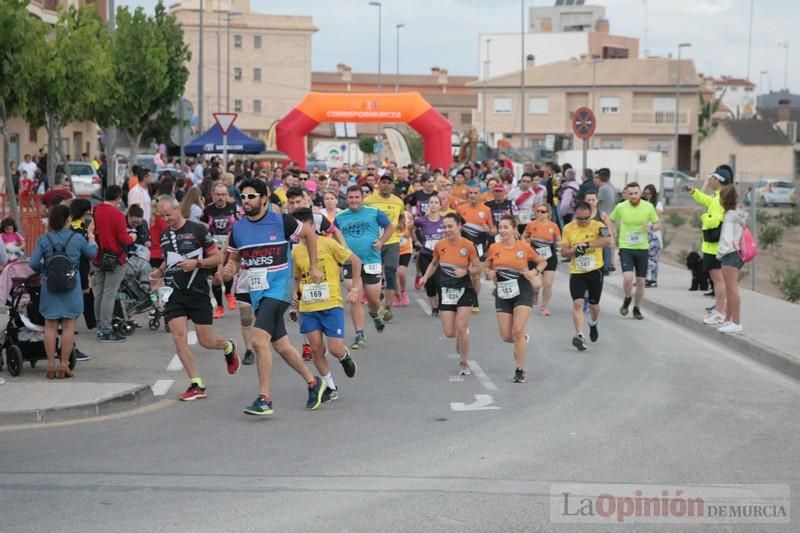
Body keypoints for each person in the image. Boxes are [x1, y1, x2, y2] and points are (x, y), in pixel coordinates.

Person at [224, 178, 326, 416]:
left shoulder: (282, 221)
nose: (246, 201)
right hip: (257, 292)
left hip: (279, 289)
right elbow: (235, 258)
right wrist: (229, 268)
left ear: (264, 198)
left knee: (259, 341)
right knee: (281, 345)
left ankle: (265, 398)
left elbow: (310, 235)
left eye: (251, 196)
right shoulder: (237, 229)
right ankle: (314, 383)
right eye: (243, 197)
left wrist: (314, 266)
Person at [149, 195, 240, 401]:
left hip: (198, 292)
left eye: (169, 214)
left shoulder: (197, 230)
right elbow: (169, 260)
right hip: (174, 293)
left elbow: (217, 257)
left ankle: (228, 346)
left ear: (178, 208)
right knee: (178, 337)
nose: (166, 219)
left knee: (206, 341)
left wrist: (196, 263)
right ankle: (197, 384)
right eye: (162, 216)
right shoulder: (164, 235)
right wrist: (159, 272)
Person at [291, 207, 359, 401]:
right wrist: (294, 294)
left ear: (312, 226)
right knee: (316, 350)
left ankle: (344, 357)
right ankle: (330, 386)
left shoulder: (328, 244)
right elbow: (298, 277)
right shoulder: (296, 252)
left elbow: (355, 261)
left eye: (303, 226)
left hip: (331, 304)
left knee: (336, 348)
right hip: (309, 308)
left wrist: (354, 288)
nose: (301, 231)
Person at [30, 204, 97, 379]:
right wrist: (91, 238)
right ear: (68, 219)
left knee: (50, 326)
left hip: (49, 287)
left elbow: (33, 264)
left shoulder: (44, 239)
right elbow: (91, 254)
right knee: (68, 326)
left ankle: (51, 365)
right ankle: (64, 365)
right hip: (71, 286)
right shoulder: (77, 238)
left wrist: (45, 269)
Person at [485, 215, 546, 383]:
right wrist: (489, 273)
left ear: (514, 229)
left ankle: (520, 370)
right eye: (500, 227)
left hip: (522, 290)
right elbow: (487, 266)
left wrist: (534, 272)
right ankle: (522, 340)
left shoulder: (524, 247)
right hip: (503, 292)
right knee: (506, 336)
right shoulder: (494, 248)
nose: (502, 230)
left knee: (518, 329)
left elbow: (542, 262)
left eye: (506, 227)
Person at [420, 213, 480, 376]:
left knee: (461, 327)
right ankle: (459, 336)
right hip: (446, 290)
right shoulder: (440, 245)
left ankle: (464, 362)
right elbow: (434, 263)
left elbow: (477, 267)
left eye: (450, 226)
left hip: (464, 289)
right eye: (444, 227)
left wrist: (465, 270)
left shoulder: (468, 245)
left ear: (459, 226)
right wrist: (425, 277)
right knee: (449, 332)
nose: (447, 230)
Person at [334, 186, 394, 350]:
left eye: (356, 197)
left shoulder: (374, 212)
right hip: (350, 262)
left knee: (373, 299)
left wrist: (381, 242)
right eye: (350, 197)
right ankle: (359, 334)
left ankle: (374, 313)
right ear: (347, 199)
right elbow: (332, 234)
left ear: (362, 198)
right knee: (355, 298)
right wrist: (339, 249)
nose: (353, 200)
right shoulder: (339, 217)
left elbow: (390, 227)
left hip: (371, 261)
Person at [560, 201, 612, 351]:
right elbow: (563, 252)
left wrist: (587, 245)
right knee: (578, 304)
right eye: (579, 218)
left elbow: (607, 240)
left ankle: (593, 323)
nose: (583, 221)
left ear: (591, 214)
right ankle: (580, 335)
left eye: (586, 218)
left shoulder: (598, 225)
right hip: (577, 271)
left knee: (594, 305)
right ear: (575, 215)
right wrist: (574, 250)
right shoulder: (568, 228)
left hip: (595, 270)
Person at [609, 182, 661, 320]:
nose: (633, 196)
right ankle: (627, 298)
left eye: (636, 193)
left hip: (642, 248)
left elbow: (658, 223)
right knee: (628, 278)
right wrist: (611, 234)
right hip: (626, 247)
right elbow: (610, 220)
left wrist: (651, 227)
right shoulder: (621, 207)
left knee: (641, 281)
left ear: (640, 193)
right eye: (630, 194)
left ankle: (637, 308)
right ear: (626, 194)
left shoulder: (648, 207)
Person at [689, 165, 731, 326]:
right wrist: (695, 191)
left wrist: (705, 217)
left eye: (712, 178)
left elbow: (715, 219)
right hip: (710, 246)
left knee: (718, 280)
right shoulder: (717, 196)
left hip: (715, 247)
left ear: (718, 180)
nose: (711, 180)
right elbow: (704, 200)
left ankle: (720, 312)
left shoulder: (721, 199)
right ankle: (720, 309)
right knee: (716, 279)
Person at [92, 185, 134, 342]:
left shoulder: (97, 210)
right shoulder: (117, 214)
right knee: (110, 293)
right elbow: (123, 239)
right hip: (116, 257)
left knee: (100, 292)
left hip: (99, 255)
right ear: (118, 198)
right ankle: (106, 329)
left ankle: (99, 325)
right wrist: (132, 238)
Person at [364, 174, 405, 320]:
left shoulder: (398, 202)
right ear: (379, 184)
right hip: (374, 243)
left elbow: (401, 216)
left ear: (393, 186)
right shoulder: (368, 201)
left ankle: (387, 308)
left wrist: (401, 222)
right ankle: (376, 302)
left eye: (389, 183)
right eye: (383, 182)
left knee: (390, 274)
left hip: (392, 241)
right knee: (373, 276)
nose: (386, 185)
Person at [201, 183, 240, 318]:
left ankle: (228, 293)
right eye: (217, 194)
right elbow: (202, 225)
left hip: (230, 247)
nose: (220, 197)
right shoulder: (208, 210)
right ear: (213, 195)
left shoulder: (233, 208)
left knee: (227, 273)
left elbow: (241, 223)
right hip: (214, 249)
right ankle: (220, 306)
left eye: (223, 194)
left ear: (227, 195)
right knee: (217, 277)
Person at [457, 185, 494, 314]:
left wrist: (487, 229)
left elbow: (493, 231)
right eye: (470, 193)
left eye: (475, 193)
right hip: (463, 246)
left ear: (480, 195)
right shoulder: (461, 209)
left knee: (476, 276)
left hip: (479, 246)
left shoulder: (486, 210)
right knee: (460, 273)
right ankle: (461, 299)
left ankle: (474, 299)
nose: (472, 195)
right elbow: (456, 226)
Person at [716, 185, 747, 333]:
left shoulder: (729, 217)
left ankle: (736, 322)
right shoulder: (738, 215)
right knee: (730, 288)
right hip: (738, 254)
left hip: (729, 254)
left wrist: (720, 253)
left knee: (732, 289)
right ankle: (728, 320)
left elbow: (726, 240)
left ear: (723, 199)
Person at [522, 203, 561, 315]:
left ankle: (544, 306)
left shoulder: (553, 226)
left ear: (548, 213)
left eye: (542, 211)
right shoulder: (531, 224)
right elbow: (524, 236)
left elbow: (559, 240)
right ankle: (535, 293)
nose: (539, 213)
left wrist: (560, 246)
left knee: (548, 284)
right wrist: (526, 243)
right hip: (535, 257)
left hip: (549, 256)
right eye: (538, 211)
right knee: (536, 284)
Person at [414, 195, 446, 316]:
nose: (433, 204)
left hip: (440, 257)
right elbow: (412, 228)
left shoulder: (444, 221)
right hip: (425, 255)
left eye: (436, 202)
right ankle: (434, 307)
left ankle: (443, 305)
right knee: (429, 283)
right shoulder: (421, 220)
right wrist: (416, 241)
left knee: (439, 282)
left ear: (440, 205)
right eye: (431, 202)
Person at [641, 184, 664, 288]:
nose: (646, 195)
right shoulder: (642, 204)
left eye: (648, 194)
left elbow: (657, 214)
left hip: (654, 235)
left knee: (653, 259)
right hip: (643, 235)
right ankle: (644, 279)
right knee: (643, 259)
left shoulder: (657, 204)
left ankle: (653, 280)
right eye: (644, 193)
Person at [596, 168, 617, 272]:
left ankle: (605, 266)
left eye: (596, 178)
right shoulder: (611, 188)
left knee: (605, 243)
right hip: (609, 218)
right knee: (608, 241)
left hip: (603, 221)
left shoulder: (603, 189)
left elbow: (596, 202)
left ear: (599, 178)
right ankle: (608, 264)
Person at [395, 210, 414, 307]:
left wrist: (409, 234)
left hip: (405, 250)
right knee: (393, 274)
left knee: (401, 272)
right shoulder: (389, 219)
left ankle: (403, 292)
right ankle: (397, 295)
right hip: (393, 250)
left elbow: (412, 232)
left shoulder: (408, 217)